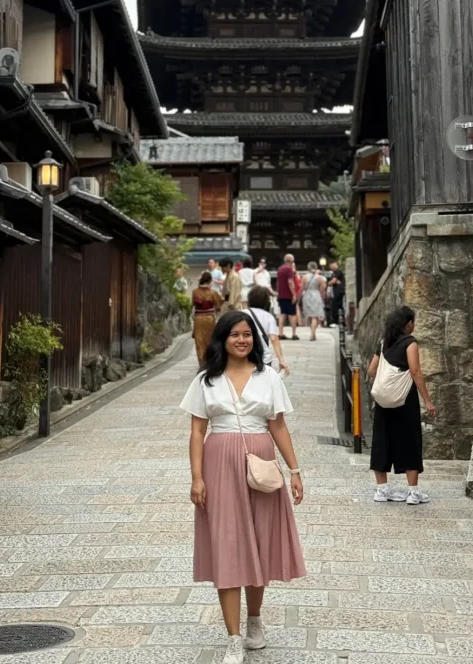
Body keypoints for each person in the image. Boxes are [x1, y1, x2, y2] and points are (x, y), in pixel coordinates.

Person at [180, 310, 306, 664]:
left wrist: (294, 470)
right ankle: (233, 637)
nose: (241, 340)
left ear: (255, 339)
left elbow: (278, 425)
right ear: (222, 338)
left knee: (260, 542)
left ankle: (254, 620)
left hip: (261, 460)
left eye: (247, 334)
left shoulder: (268, 377)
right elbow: (196, 432)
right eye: (234, 334)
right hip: (219, 462)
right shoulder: (206, 380)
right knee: (228, 544)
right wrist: (197, 477)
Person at [366, 305, 436, 505]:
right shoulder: (410, 343)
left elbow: (372, 370)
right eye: (413, 321)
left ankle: (382, 490)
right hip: (405, 400)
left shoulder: (383, 343)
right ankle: (413, 493)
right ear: (408, 324)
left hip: (383, 401)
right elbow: (415, 371)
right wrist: (427, 401)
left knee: (382, 440)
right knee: (410, 440)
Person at [246, 285, 290, 375]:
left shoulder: (242, 313)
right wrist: (281, 360)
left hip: (245, 353)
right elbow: (274, 338)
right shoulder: (268, 317)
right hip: (263, 356)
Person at [191, 271, 224, 365]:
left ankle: (202, 363)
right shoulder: (213, 292)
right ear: (210, 281)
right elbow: (219, 304)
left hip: (198, 318)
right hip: (209, 318)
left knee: (199, 341)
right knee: (209, 340)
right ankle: (210, 361)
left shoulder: (195, 291)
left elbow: (193, 303)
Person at [301, 262, 326, 340]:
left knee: (309, 316)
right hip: (316, 295)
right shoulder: (319, 278)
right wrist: (322, 297)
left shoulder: (304, 277)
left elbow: (302, 287)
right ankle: (313, 333)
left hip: (307, 295)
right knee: (315, 316)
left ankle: (312, 333)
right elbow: (322, 289)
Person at [276, 254, 298, 340]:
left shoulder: (280, 269)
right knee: (292, 314)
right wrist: (294, 294)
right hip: (288, 295)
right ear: (292, 261)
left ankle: (280, 333)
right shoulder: (289, 270)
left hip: (281, 295)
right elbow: (290, 282)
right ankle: (294, 334)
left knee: (283, 314)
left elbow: (278, 283)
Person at [327, 261, 345, 328]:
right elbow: (331, 282)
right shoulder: (333, 273)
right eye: (331, 264)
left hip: (339, 291)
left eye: (332, 264)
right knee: (338, 306)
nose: (331, 266)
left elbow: (332, 282)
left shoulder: (338, 271)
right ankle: (340, 321)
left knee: (336, 306)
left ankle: (336, 321)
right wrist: (332, 282)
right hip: (335, 291)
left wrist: (332, 282)